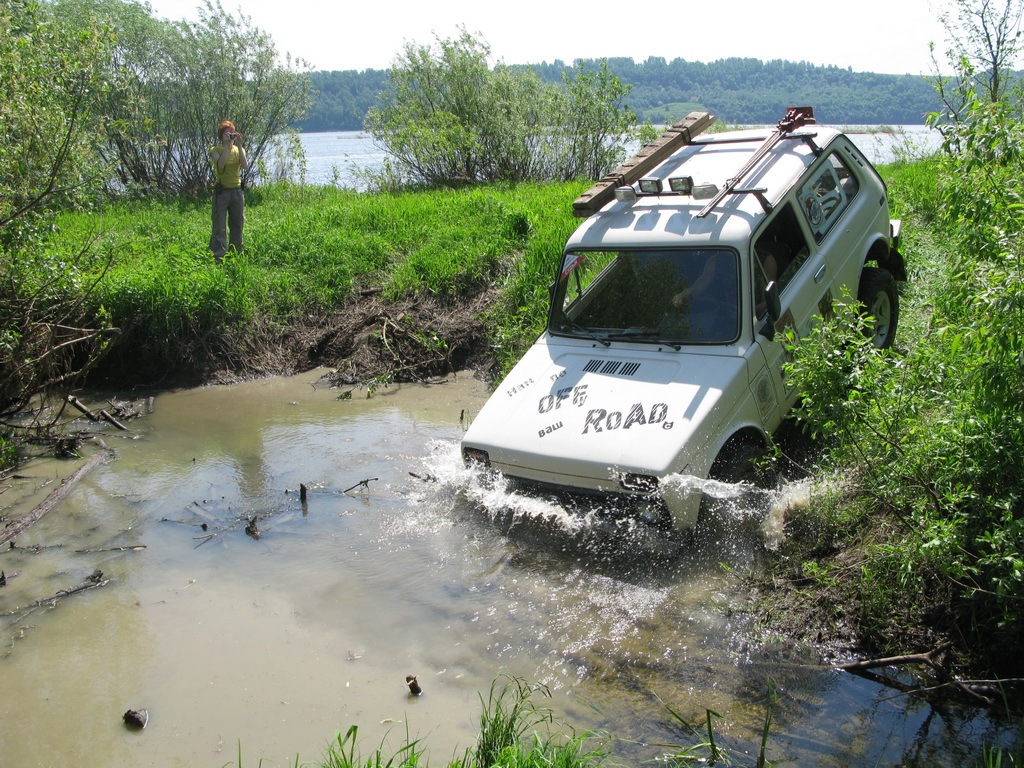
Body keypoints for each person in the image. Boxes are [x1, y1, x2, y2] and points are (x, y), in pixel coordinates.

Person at [209, 120, 248, 262]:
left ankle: (235, 253)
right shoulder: (216, 150)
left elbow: (244, 165)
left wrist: (239, 145)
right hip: (222, 192)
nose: (230, 136)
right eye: (227, 134)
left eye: (231, 133)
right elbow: (220, 165)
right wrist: (226, 147)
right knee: (219, 225)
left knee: (237, 223)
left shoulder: (239, 150)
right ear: (221, 136)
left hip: (236, 191)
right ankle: (219, 256)